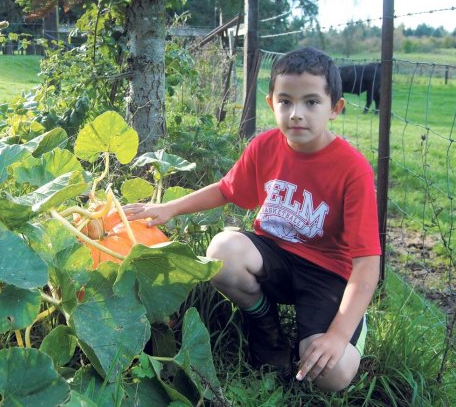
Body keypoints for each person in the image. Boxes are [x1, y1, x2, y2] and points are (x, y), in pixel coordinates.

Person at [123, 47, 381, 392]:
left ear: (335, 108)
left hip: (326, 274)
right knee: (223, 251)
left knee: (331, 376)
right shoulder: (264, 146)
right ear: (271, 102)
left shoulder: (353, 170)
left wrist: (337, 336)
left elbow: (367, 264)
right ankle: (265, 325)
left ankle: (349, 330)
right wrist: (170, 208)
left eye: (311, 102)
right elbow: (227, 190)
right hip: (274, 257)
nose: (296, 114)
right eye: (286, 101)